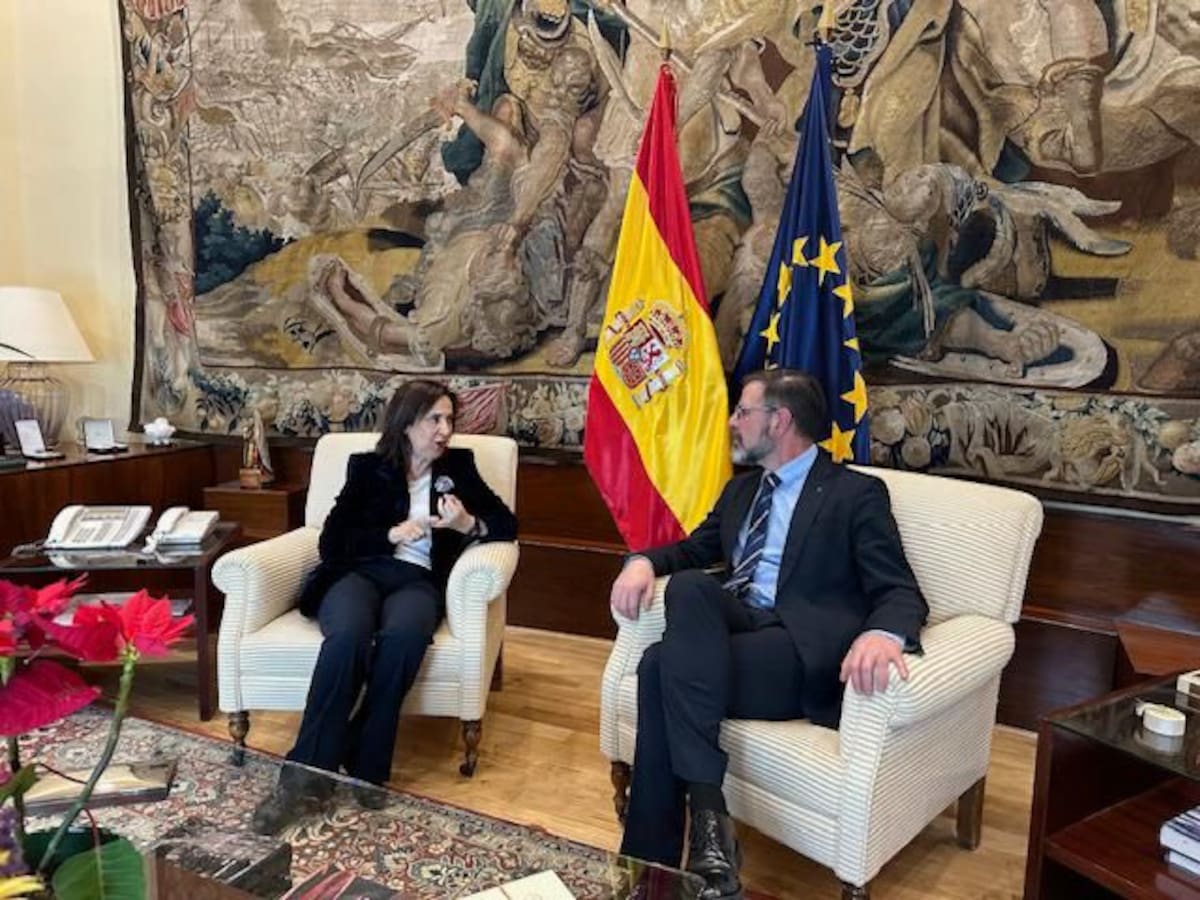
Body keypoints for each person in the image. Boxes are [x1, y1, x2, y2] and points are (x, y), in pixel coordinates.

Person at [609, 369, 928, 900]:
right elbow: (691, 551)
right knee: (689, 586)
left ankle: (652, 870)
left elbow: (899, 589)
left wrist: (883, 634)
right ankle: (709, 832)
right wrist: (641, 561)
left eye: (743, 412)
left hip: (796, 648)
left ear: (779, 421)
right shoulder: (741, 492)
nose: (733, 422)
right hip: (738, 626)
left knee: (658, 666)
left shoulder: (855, 493)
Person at [251, 379, 518, 834]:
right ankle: (300, 780)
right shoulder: (368, 467)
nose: (445, 429)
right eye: (434, 419)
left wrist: (468, 523)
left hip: (417, 581)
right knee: (348, 638)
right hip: (357, 574)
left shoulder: (460, 467)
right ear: (407, 423)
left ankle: (366, 762)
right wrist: (390, 535)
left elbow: (507, 524)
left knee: (404, 638)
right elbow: (332, 542)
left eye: (449, 419)